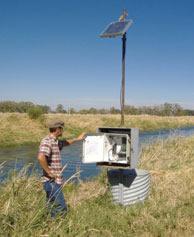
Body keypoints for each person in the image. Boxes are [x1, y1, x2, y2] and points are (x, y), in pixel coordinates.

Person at [38, 119, 85, 217]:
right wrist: (49, 173)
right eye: (62, 129)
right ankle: (56, 227)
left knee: (51, 206)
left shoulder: (55, 141)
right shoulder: (47, 141)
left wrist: (78, 139)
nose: (63, 131)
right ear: (58, 129)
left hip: (54, 181)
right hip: (51, 181)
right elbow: (41, 157)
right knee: (61, 207)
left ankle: (49, 226)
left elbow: (65, 142)